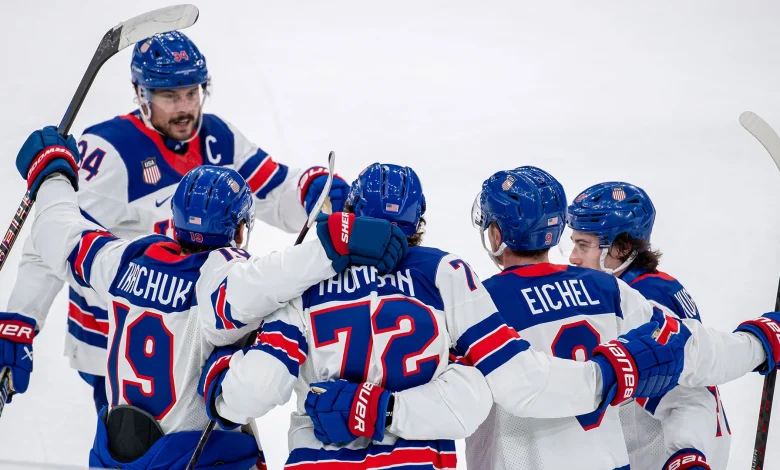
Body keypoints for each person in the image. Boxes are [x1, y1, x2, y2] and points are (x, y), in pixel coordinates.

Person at [197, 163, 690, 469]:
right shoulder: (447, 273)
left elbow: (255, 387)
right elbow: (478, 393)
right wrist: (385, 409)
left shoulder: (302, 285)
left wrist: (222, 390)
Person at [3, 127, 405, 468]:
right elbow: (272, 278)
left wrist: (52, 176)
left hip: (116, 451)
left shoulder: (125, 259)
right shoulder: (220, 277)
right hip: (192, 456)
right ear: (241, 230)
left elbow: (60, 231)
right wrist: (335, 243)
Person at [0, 31, 349, 412]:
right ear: (141, 94)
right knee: (139, 448)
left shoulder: (218, 138)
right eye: (169, 95)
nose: (185, 107)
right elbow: (52, 239)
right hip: (122, 339)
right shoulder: (109, 151)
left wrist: (312, 193)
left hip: (197, 331)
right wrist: (20, 322)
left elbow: (274, 189)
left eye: (192, 92)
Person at [456, 166, 771, 470]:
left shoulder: (479, 303)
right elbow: (690, 349)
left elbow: (451, 404)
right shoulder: (609, 290)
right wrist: (759, 341)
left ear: (496, 235)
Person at [566, 182, 730, 470]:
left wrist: (687, 451)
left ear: (623, 246)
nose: (573, 257)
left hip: (671, 452)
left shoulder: (643, 298)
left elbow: (683, 393)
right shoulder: (652, 283)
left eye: (584, 245)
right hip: (694, 442)